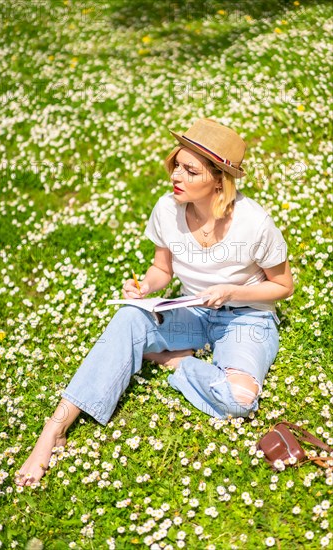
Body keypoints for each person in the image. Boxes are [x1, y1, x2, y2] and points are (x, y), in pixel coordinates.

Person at [15, 118, 294, 486]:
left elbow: (283, 285)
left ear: (218, 180)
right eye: (176, 164)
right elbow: (161, 268)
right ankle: (54, 429)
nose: (176, 175)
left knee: (239, 399)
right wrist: (146, 286)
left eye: (190, 170)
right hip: (191, 308)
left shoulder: (254, 223)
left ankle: (173, 360)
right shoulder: (167, 209)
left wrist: (232, 292)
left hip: (246, 318)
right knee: (129, 318)